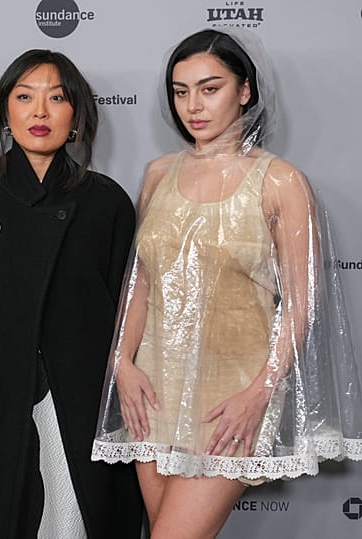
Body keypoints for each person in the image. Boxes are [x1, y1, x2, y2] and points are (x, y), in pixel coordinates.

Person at [91, 29, 362, 539]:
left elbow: (303, 301)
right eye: (180, 90)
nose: (192, 105)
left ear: (245, 91)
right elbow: (142, 281)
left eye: (209, 88)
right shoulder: (157, 174)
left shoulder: (280, 181)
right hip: (152, 390)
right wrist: (121, 364)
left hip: (230, 397)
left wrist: (261, 391)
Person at [0, 49, 144, 538]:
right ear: (4, 110)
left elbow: (130, 321)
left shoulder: (106, 203)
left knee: (72, 521)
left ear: (76, 115)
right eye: (24, 96)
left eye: (56, 98)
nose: (40, 112)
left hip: (76, 403)